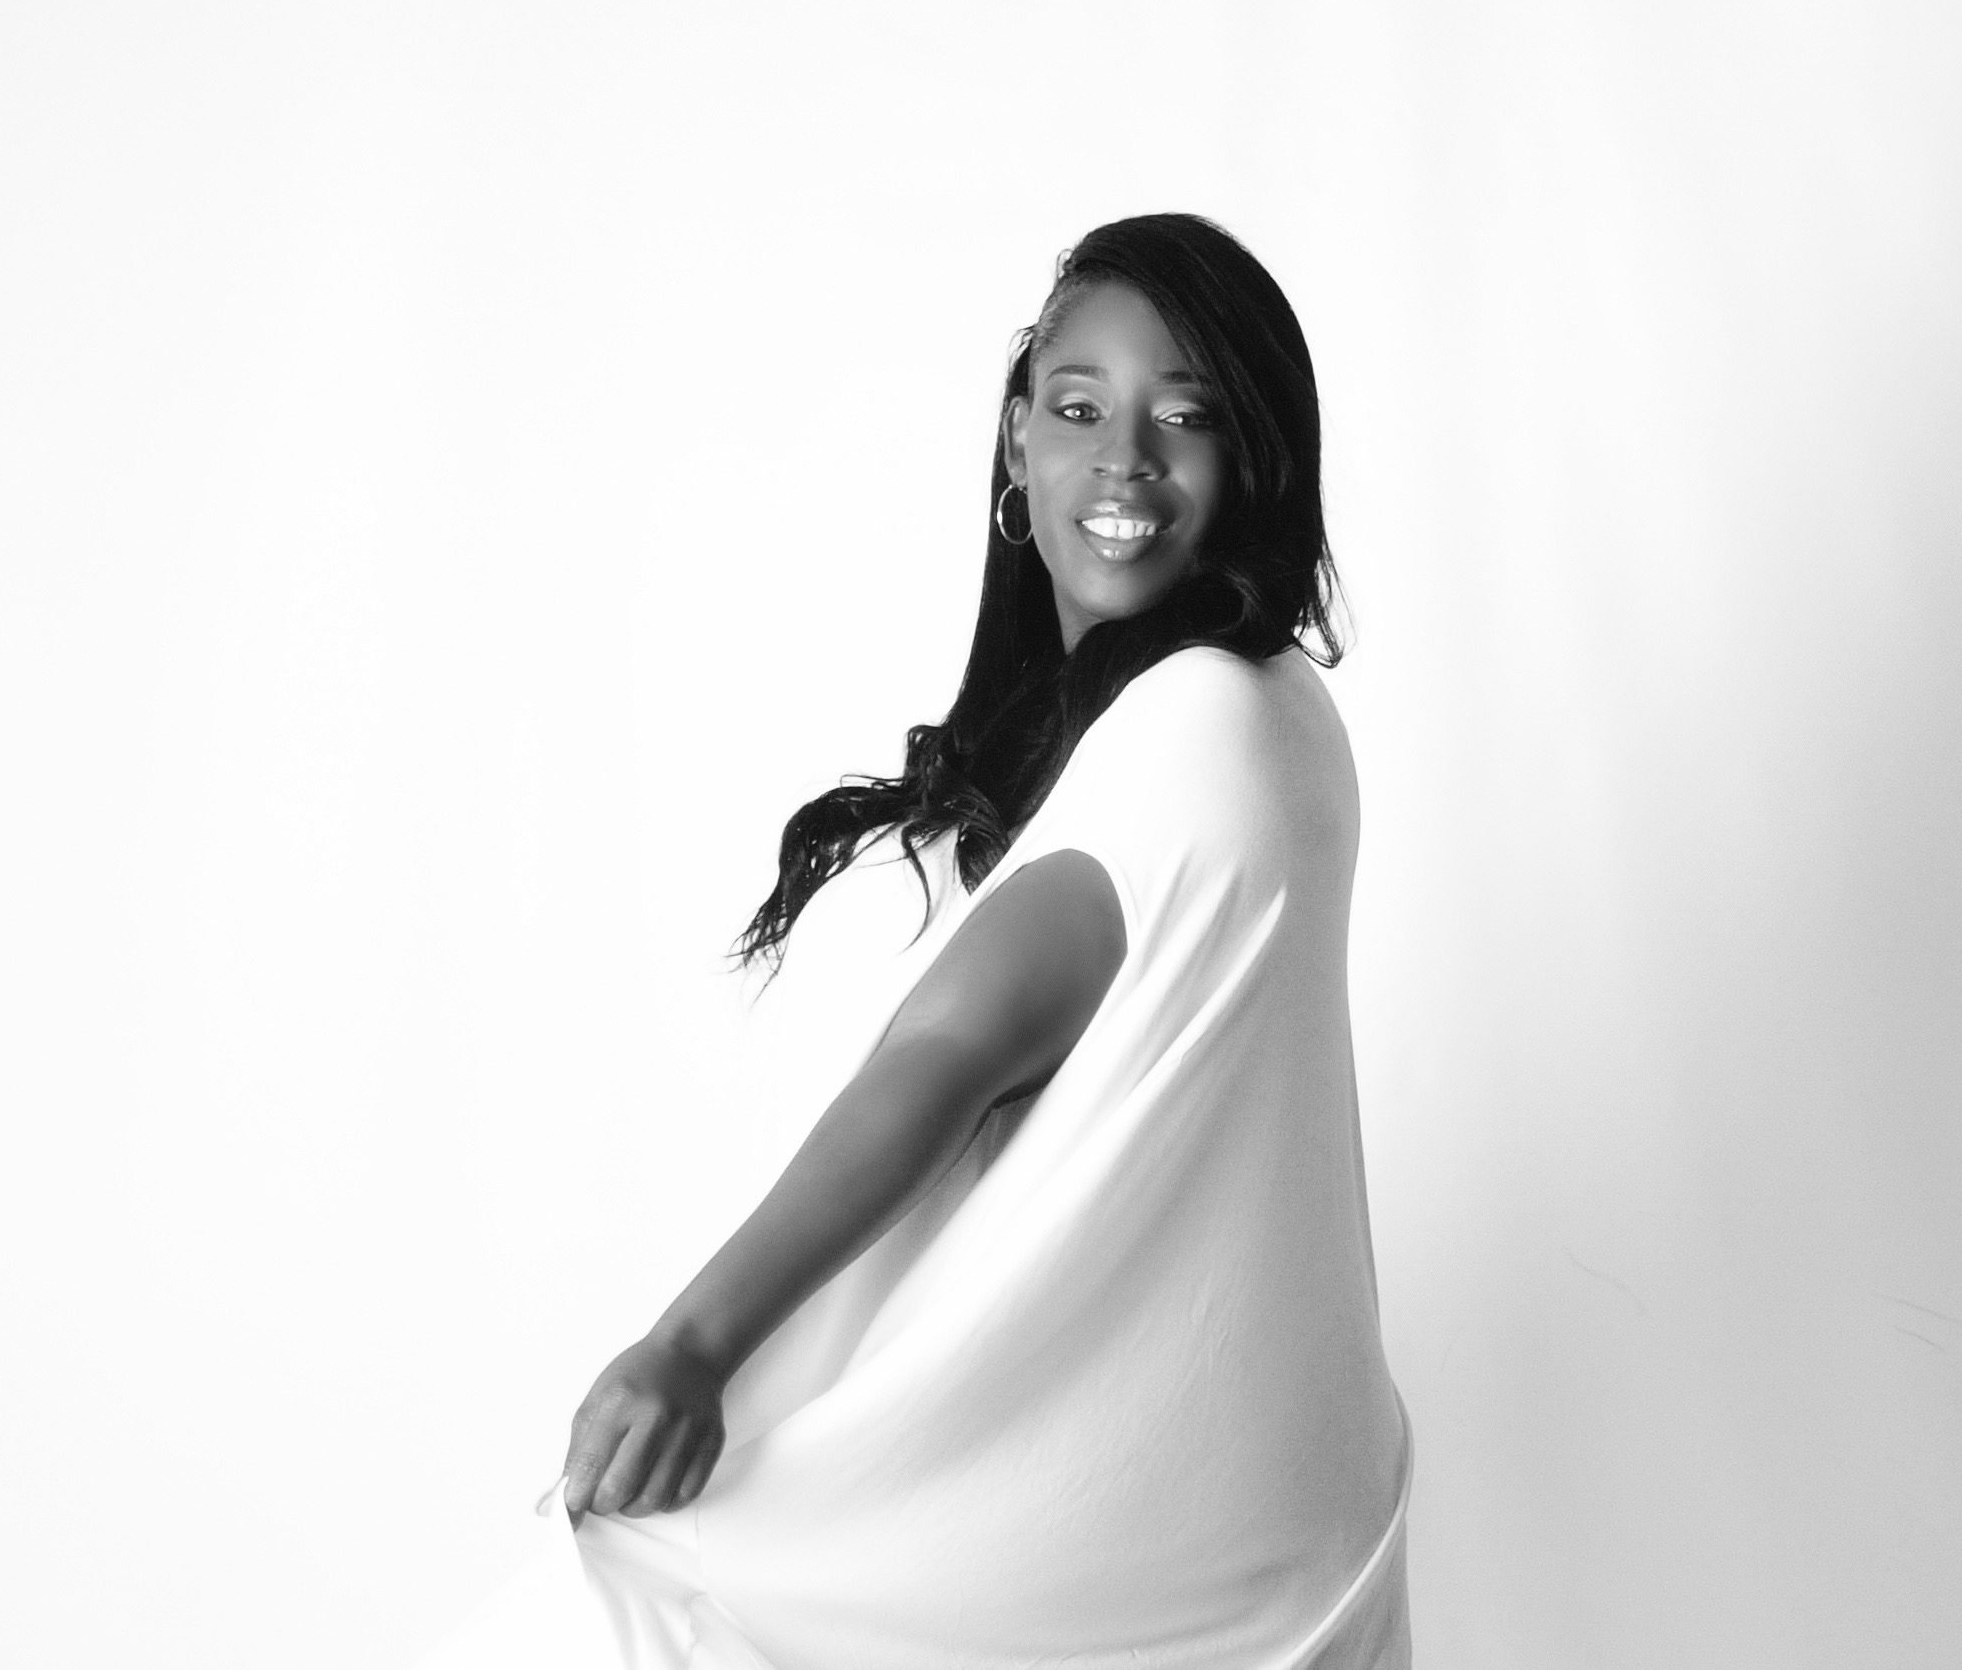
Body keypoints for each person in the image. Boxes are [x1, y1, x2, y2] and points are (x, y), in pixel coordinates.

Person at [549, 214, 1411, 1668]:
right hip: (1226, 1532)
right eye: (1077, 409)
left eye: (1187, 416)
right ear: (1017, 439)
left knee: (620, 1616)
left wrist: (692, 1346)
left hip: (1143, 1562)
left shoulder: (1210, 717)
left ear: (1255, 455)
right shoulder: (1244, 717)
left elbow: (953, 1051)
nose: (1124, 460)